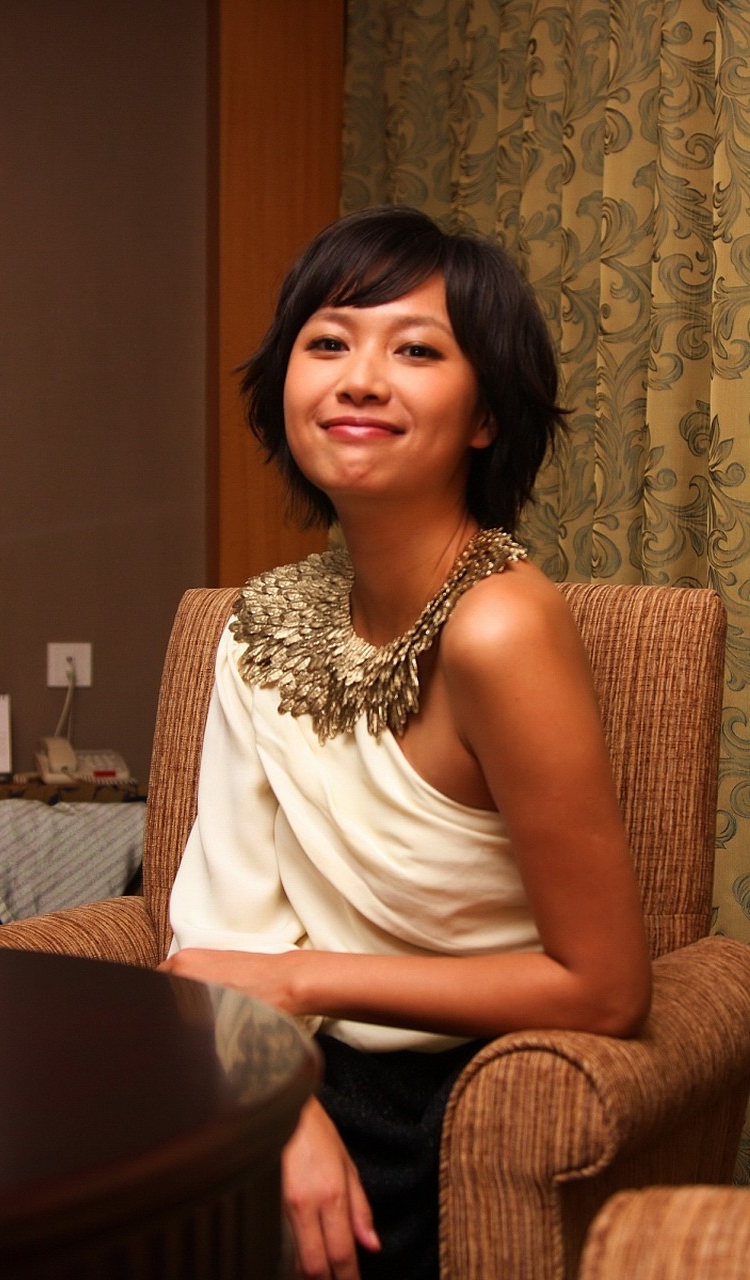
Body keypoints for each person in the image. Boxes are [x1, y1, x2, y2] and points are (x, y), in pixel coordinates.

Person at [159, 206, 651, 1279]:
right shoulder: (261, 625)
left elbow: (605, 985)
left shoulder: (499, 628)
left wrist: (300, 985)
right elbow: (223, 927)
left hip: (451, 1093)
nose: (360, 380)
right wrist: (279, 1096)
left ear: (485, 414)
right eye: (328, 342)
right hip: (281, 1066)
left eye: (417, 351)